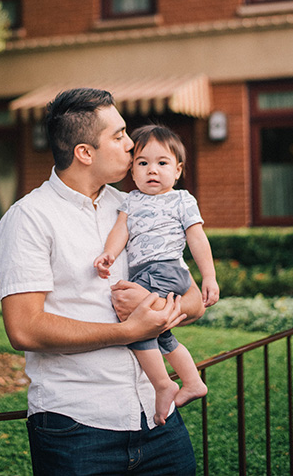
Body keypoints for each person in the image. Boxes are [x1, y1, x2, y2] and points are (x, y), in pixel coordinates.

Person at [0, 88, 201, 476]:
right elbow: (24, 329)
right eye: (119, 135)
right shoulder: (29, 219)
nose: (131, 144)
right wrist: (127, 330)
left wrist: (156, 308)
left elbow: (193, 300)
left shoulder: (134, 205)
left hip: (157, 417)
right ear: (85, 153)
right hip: (76, 427)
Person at [94, 124, 219, 425]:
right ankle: (192, 382)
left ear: (177, 171)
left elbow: (197, 239)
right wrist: (109, 253)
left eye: (162, 163)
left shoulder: (181, 200)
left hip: (165, 268)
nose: (153, 170)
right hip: (144, 271)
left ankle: (163, 385)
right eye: (143, 163)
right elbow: (120, 231)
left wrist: (209, 277)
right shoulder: (131, 201)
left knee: (135, 320)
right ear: (132, 171)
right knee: (160, 331)